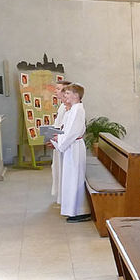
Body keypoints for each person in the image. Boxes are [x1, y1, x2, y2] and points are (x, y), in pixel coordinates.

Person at [52, 83, 91, 223]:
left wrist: (59, 139)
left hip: (74, 147)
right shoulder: (72, 109)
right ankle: (72, 210)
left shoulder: (78, 110)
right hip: (71, 146)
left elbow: (73, 132)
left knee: (75, 178)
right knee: (70, 179)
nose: (65, 96)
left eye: (68, 93)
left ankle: (80, 211)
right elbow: (67, 130)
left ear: (76, 95)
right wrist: (58, 137)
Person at [50, 79, 72, 204]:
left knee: (63, 171)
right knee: (57, 169)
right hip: (59, 142)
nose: (55, 91)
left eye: (58, 89)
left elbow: (67, 129)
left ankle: (64, 199)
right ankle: (61, 197)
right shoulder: (62, 106)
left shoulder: (72, 108)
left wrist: (57, 138)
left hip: (64, 144)